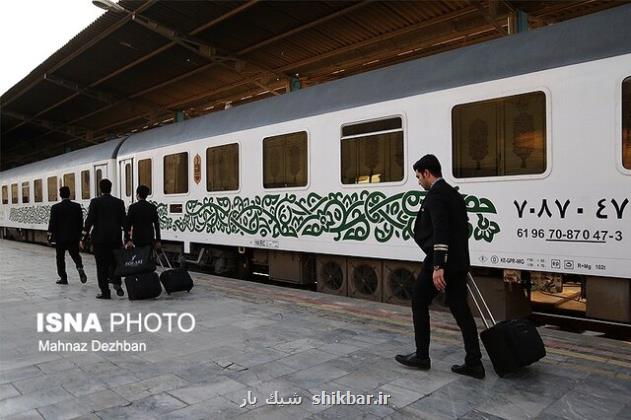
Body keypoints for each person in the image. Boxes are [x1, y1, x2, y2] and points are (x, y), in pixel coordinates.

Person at [395, 154, 485, 379]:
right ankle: (474, 362)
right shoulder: (453, 194)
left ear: (427, 173)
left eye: (418, 177)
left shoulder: (436, 196)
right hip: (458, 262)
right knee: (461, 310)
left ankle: (422, 355)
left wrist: (438, 266)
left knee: (418, 301)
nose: (418, 182)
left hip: (442, 262)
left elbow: (441, 231)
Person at [81, 178, 126, 299]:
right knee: (115, 263)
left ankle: (105, 292)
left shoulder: (95, 202)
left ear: (100, 189)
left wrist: (83, 237)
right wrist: (127, 238)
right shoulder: (119, 202)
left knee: (101, 266)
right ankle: (117, 283)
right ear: (110, 188)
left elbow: (89, 220)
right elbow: (124, 223)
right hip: (115, 239)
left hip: (99, 240)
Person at [47, 186, 87, 285]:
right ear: (70, 194)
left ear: (60, 195)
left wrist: (49, 234)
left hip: (60, 238)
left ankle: (63, 278)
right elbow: (80, 222)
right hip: (73, 237)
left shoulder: (55, 207)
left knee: (60, 258)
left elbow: (52, 222)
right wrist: (79, 236)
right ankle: (79, 267)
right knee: (75, 255)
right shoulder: (76, 206)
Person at [124, 185, 161, 250]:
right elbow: (156, 224)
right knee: (148, 257)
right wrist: (158, 240)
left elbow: (128, 225)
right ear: (146, 195)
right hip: (149, 238)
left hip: (137, 239)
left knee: (138, 258)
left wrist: (128, 239)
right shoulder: (152, 207)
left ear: (138, 194)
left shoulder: (132, 207)